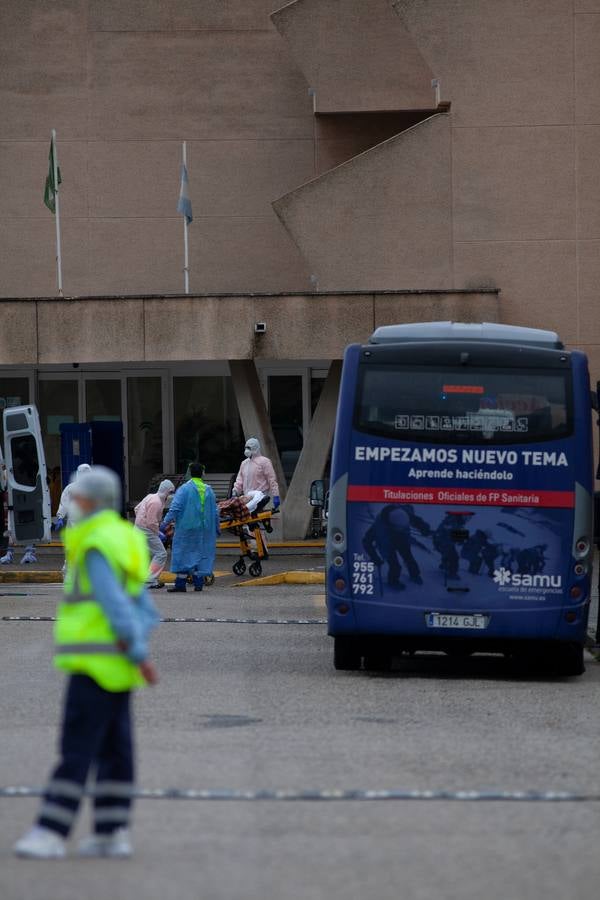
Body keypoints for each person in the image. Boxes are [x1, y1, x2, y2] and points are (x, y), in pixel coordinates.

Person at [14, 466, 160, 860]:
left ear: (92, 502)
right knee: (115, 750)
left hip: (94, 665)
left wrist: (138, 653)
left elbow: (114, 606)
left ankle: (51, 831)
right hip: (118, 667)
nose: (74, 502)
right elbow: (143, 605)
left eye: (79, 498)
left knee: (76, 749)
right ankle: (112, 832)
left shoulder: (95, 542)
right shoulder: (125, 538)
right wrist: (138, 652)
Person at [161, 462, 218, 593]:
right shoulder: (208, 489)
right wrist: (216, 528)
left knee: (183, 554)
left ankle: (180, 584)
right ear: (202, 473)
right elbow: (215, 511)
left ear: (190, 473)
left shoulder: (184, 489)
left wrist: (165, 522)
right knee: (200, 554)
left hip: (186, 528)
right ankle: (198, 584)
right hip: (204, 529)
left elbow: (175, 508)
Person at [134, 479, 175, 590]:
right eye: (170, 492)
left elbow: (136, 509)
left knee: (149, 553)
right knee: (161, 554)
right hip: (147, 530)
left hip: (138, 528)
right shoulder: (157, 502)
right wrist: (158, 532)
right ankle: (150, 580)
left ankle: (144, 577)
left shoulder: (150, 496)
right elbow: (151, 522)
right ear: (166, 491)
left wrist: (140, 519)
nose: (170, 495)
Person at [233, 437, 280, 510]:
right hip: (247, 497)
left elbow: (272, 480)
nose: (246, 450)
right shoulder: (244, 463)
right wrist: (235, 491)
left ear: (255, 448)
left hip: (259, 498)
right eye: (246, 447)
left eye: (249, 448)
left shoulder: (264, 462)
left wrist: (276, 495)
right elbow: (240, 480)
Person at [55, 463, 92, 529]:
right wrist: (60, 516)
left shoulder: (71, 487)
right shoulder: (71, 488)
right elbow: (64, 503)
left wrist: (60, 516)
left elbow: (64, 503)